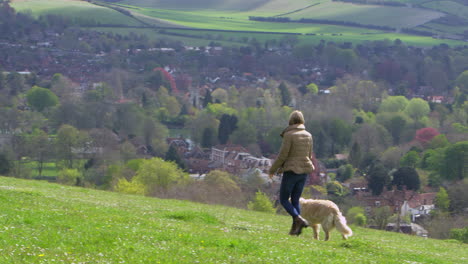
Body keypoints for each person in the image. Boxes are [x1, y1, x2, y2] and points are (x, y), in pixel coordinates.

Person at [269, 110, 315, 236]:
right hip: (304, 171)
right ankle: (295, 230)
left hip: (291, 170)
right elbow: (309, 155)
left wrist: (273, 169)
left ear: (291, 121)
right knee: (295, 200)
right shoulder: (308, 135)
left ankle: (298, 219)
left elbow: (283, 155)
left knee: (283, 199)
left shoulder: (289, 135)